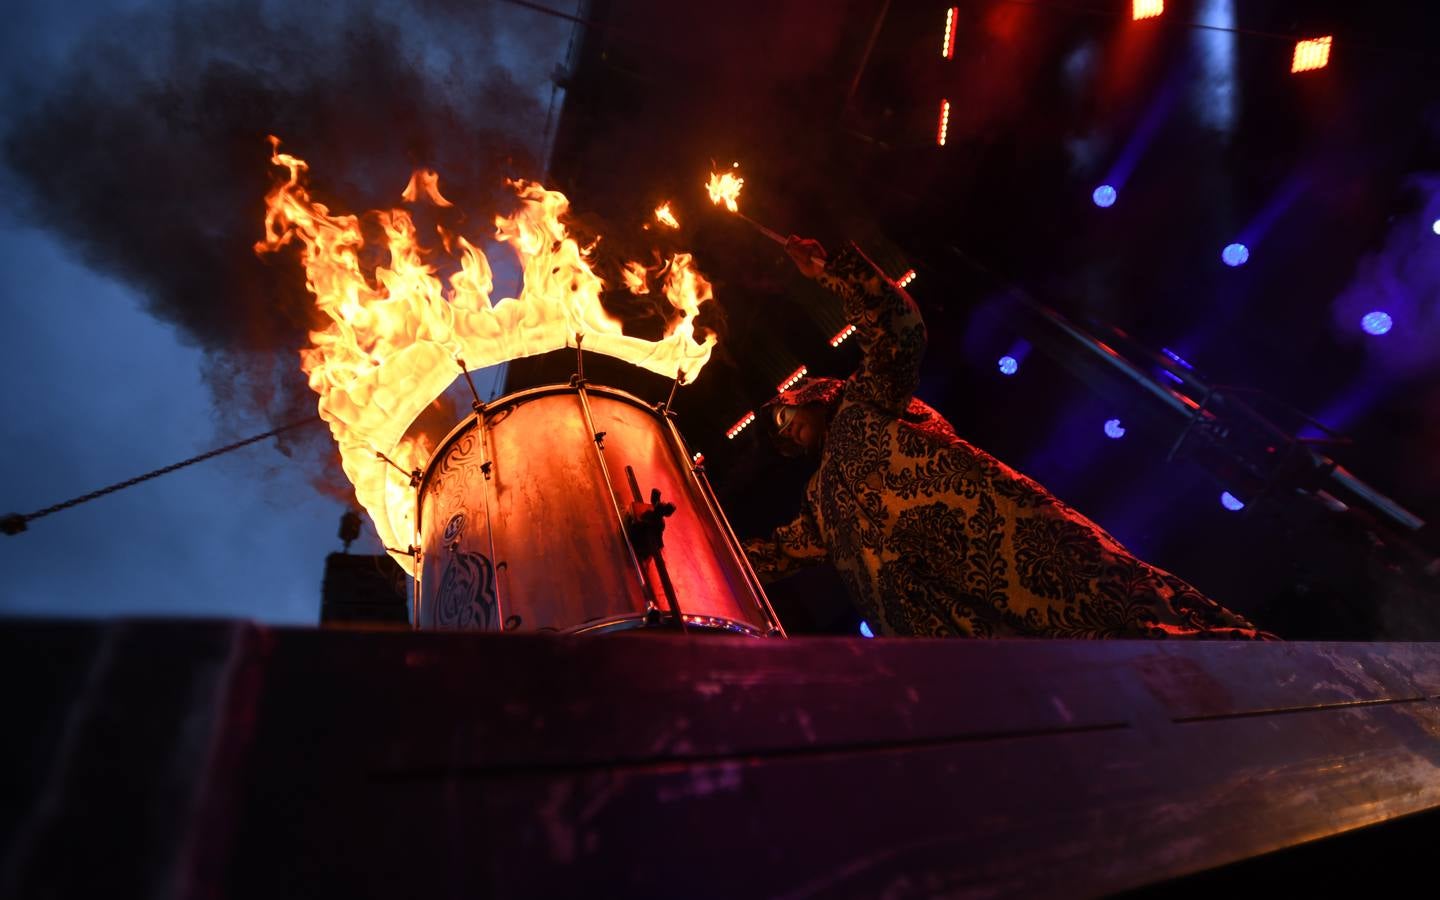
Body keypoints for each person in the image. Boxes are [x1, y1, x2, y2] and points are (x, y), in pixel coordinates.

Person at [741, 236, 1274, 639]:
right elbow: (765, 558)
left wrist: (834, 270)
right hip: (962, 641)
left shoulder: (864, 399)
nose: (786, 429)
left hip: (1016, 552)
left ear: (813, 395)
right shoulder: (819, 505)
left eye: (784, 414)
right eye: (780, 435)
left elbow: (897, 327)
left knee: (1138, 629)